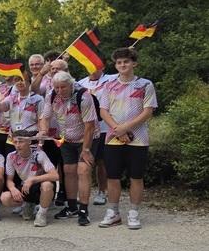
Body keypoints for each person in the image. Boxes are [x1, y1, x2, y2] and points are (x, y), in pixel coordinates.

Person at [98, 47, 157, 230]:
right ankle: (113, 213)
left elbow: (148, 111)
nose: (122, 65)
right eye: (119, 62)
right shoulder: (108, 85)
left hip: (138, 139)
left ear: (134, 63)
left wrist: (126, 127)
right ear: (115, 65)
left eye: (126, 61)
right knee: (113, 176)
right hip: (113, 137)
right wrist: (117, 129)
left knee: (136, 177)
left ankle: (133, 213)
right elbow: (103, 110)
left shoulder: (145, 85)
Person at [39, 71, 98, 226]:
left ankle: (84, 210)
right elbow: (45, 117)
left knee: (83, 170)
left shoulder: (83, 96)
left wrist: (86, 149)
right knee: (69, 170)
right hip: (66, 138)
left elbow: (90, 126)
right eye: (56, 87)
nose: (59, 90)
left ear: (71, 85)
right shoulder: (51, 95)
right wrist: (43, 131)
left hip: (87, 138)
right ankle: (72, 207)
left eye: (63, 87)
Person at [1, 131, 60, 227]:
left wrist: (33, 179)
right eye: (15, 142)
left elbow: (55, 175)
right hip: (26, 186)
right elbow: (9, 180)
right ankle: (27, 204)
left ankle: (42, 213)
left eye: (21, 141)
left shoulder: (39, 154)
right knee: (5, 197)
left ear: (29, 142)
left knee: (47, 185)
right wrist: (13, 189)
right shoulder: (11, 156)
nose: (17, 145)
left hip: (40, 186)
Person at [78, 68, 118, 206]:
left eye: (96, 66)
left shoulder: (111, 79)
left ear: (103, 67)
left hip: (105, 128)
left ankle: (102, 191)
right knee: (85, 162)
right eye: (89, 66)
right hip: (87, 129)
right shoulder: (81, 83)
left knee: (101, 162)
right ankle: (83, 194)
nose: (92, 69)